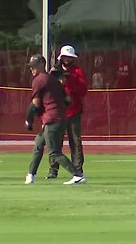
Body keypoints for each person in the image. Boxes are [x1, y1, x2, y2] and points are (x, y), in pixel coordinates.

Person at [24, 54, 86, 185]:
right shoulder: (54, 80)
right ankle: (31, 175)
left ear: (42, 65)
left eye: (33, 66)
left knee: (54, 153)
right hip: (59, 117)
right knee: (38, 145)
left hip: (52, 119)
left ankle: (78, 175)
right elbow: (68, 100)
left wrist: (29, 119)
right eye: (30, 67)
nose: (31, 69)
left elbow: (35, 104)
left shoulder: (39, 80)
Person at [46, 45, 88, 179]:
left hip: (73, 111)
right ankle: (53, 169)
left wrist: (68, 82)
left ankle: (77, 169)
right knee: (55, 142)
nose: (66, 59)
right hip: (57, 112)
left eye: (69, 57)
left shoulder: (77, 71)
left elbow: (83, 90)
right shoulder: (55, 70)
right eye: (65, 57)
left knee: (75, 141)